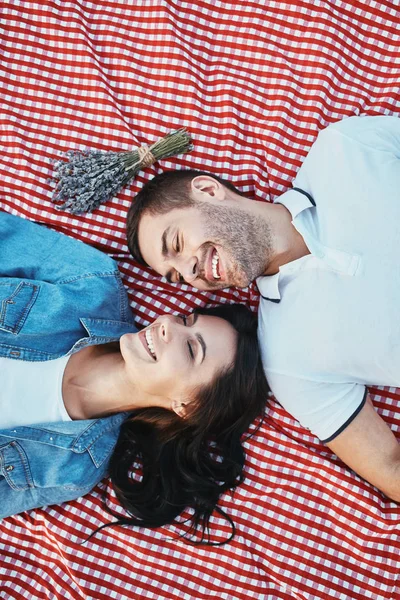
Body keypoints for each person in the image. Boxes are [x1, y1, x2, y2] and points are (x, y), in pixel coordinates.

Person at [126, 114, 400, 502]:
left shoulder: (343, 148)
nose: (189, 270)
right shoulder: (287, 361)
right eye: (176, 276)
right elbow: (390, 468)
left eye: (176, 244)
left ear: (207, 190)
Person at [0, 212, 269, 542]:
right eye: (186, 319)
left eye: (190, 350)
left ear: (184, 406)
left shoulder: (74, 468)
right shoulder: (89, 283)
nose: (168, 325)